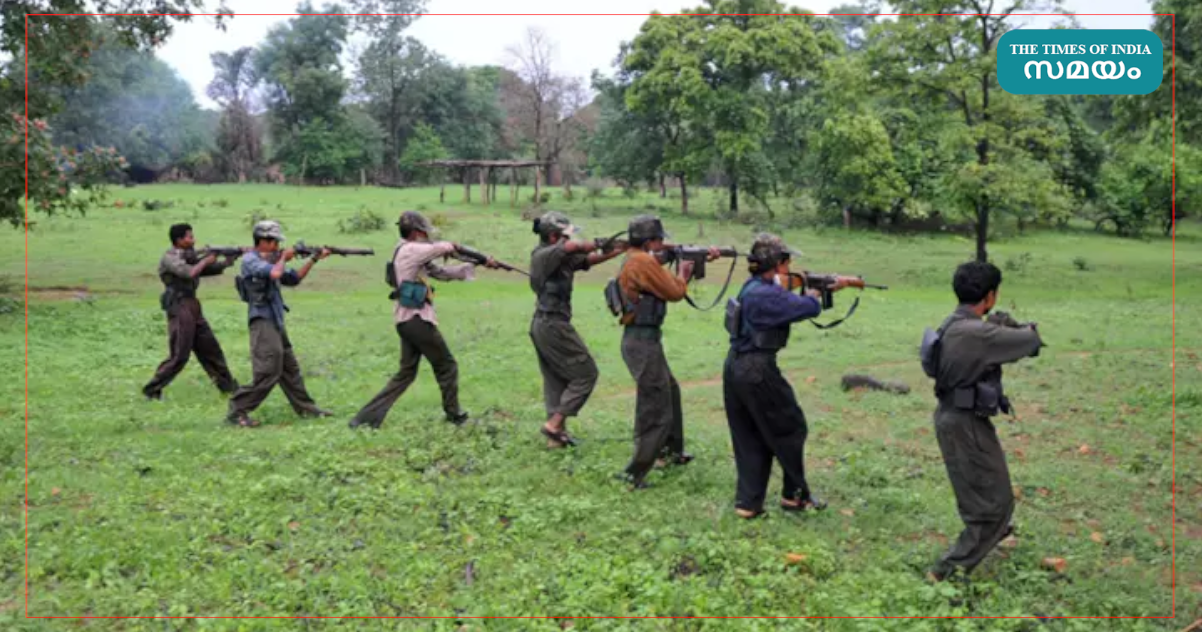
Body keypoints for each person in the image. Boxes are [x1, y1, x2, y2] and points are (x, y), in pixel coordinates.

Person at [923, 261, 1044, 582]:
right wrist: (1011, 327)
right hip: (965, 424)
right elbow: (1031, 342)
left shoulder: (953, 324)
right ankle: (945, 572)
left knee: (986, 490)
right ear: (990, 296)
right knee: (995, 504)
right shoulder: (979, 333)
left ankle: (993, 533)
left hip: (954, 416)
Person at [722, 233, 858, 519]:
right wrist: (816, 293)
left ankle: (748, 503)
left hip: (735, 367)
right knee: (791, 428)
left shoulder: (754, 287)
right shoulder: (767, 295)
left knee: (749, 435)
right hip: (757, 369)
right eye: (787, 261)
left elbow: (784, 292)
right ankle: (794, 496)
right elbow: (807, 308)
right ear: (780, 263)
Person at [348, 211, 497, 430]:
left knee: (406, 373)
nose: (427, 235)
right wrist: (482, 257)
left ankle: (364, 420)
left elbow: (441, 272)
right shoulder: (411, 250)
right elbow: (447, 247)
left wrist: (474, 266)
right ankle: (455, 416)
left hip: (407, 320)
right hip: (417, 320)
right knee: (447, 366)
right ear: (417, 232)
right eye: (424, 231)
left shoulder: (412, 252)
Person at [613, 215, 718, 489]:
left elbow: (654, 269)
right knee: (655, 407)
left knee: (669, 390)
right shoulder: (642, 261)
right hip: (642, 341)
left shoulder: (637, 257)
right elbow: (674, 292)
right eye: (659, 240)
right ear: (650, 241)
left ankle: (670, 452)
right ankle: (634, 472)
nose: (663, 244)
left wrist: (693, 257)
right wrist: (684, 273)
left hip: (644, 340)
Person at [528, 211, 626, 448]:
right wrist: (599, 242)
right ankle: (554, 424)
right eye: (562, 235)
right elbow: (574, 247)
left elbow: (585, 260)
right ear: (553, 237)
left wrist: (618, 249)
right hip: (552, 324)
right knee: (586, 374)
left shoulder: (556, 257)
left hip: (545, 323)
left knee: (556, 379)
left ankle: (556, 437)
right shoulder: (544, 255)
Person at [225, 220, 333, 428]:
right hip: (262, 320)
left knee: (290, 368)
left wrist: (313, 259)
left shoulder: (272, 260)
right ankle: (238, 410)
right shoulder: (250, 260)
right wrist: (283, 257)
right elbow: (275, 273)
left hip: (275, 319)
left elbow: (294, 278)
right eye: (273, 242)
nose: (276, 246)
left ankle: (306, 408)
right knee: (268, 370)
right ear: (262, 241)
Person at [142, 223, 241, 400]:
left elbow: (207, 270)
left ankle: (228, 387)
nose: (193, 240)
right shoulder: (170, 257)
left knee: (211, 349)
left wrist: (228, 261)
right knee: (180, 354)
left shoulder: (189, 255)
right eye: (189, 237)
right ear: (179, 240)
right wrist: (205, 260)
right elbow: (189, 273)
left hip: (192, 305)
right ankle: (152, 389)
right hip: (179, 305)